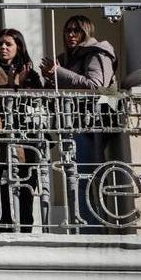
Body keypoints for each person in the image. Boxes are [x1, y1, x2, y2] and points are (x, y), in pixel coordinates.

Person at [40, 15, 119, 232]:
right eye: (67, 30)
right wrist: (49, 78)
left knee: (85, 178)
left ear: (86, 31)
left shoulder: (98, 52)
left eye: (76, 30)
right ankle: (86, 227)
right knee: (76, 178)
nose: (71, 34)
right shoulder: (68, 59)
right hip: (75, 124)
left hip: (93, 125)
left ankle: (92, 230)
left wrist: (58, 73)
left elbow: (96, 86)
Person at [0, 29, 43, 232]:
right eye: (0, 44)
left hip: (26, 141)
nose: (3, 48)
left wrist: (20, 82)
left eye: (8, 44)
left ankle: (25, 233)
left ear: (19, 47)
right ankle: (4, 233)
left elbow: (37, 102)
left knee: (26, 191)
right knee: (1, 192)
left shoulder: (30, 74)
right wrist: (13, 83)